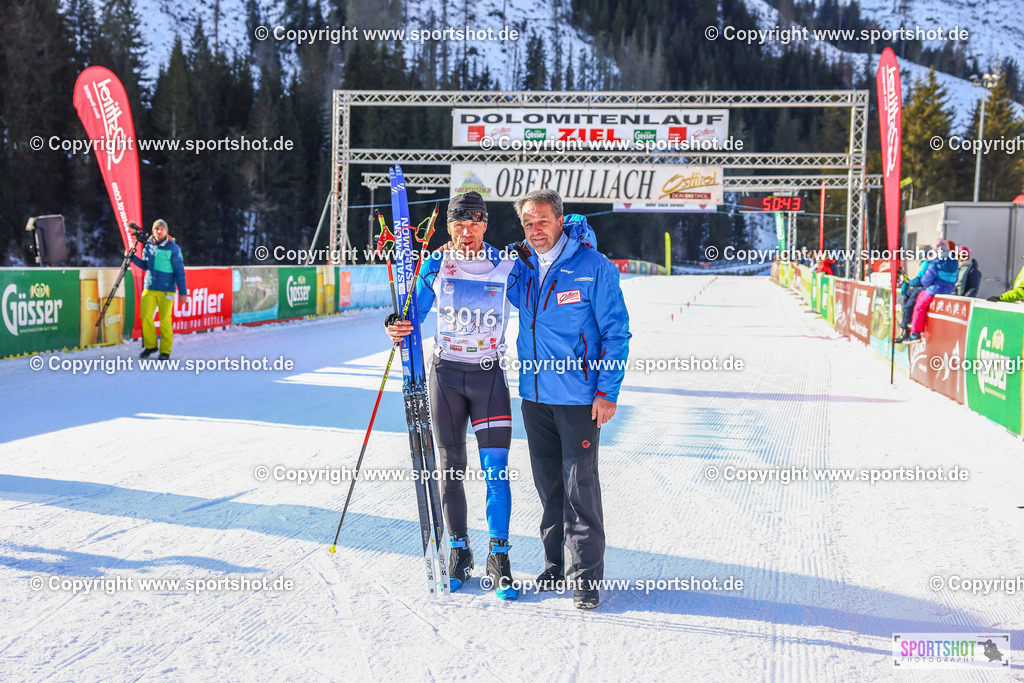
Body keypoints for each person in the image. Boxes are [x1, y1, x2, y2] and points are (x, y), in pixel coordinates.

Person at [384, 192, 519, 600]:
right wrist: (394, 323)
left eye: (474, 223)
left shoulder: (507, 265)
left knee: (496, 470)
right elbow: (412, 314)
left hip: (488, 377)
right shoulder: (435, 265)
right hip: (445, 377)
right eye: (458, 224)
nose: (466, 232)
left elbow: (543, 298)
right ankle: (460, 551)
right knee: (452, 469)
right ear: (449, 227)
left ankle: (499, 557)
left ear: (485, 225)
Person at [505, 189, 631, 610]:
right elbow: (477, 276)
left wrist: (607, 392)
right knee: (549, 487)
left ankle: (586, 579)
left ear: (560, 220)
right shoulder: (521, 267)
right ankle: (554, 564)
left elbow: (616, 333)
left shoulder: (594, 267)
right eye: (528, 223)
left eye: (542, 221)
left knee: (581, 488)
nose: (535, 230)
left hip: (579, 398)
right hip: (535, 396)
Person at [127, 219, 187, 359]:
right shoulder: (148, 246)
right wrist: (132, 257)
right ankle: (150, 346)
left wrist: (183, 292)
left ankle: (165, 351)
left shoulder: (174, 248)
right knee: (145, 316)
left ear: (166, 231)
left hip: (167, 290)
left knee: (165, 320)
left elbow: (179, 271)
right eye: (156, 229)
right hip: (149, 287)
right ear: (153, 231)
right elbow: (145, 265)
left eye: (161, 229)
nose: (159, 231)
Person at [905, 239, 958, 342]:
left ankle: (915, 333)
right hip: (949, 289)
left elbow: (926, 281)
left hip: (936, 289)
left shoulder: (935, 262)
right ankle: (916, 324)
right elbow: (955, 278)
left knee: (919, 306)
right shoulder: (954, 261)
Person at [895, 247, 933, 344]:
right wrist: (908, 283)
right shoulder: (924, 262)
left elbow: (920, 279)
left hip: (923, 288)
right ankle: (905, 326)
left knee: (909, 306)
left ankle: (907, 328)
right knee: (907, 296)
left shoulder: (927, 262)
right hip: (921, 287)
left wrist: (909, 283)